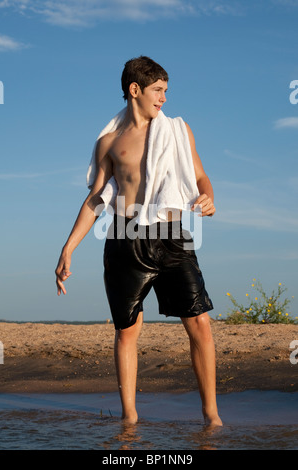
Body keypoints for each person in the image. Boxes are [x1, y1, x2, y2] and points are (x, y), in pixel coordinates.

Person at [55, 56, 222, 427]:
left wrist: (208, 198)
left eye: (166, 91)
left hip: (171, 237)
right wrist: (68, 249)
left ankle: (212, 417)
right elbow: (95, 200)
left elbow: (200, 176)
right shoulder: (110, 143)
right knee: (127, 330)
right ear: (135, 90)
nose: (164, 99)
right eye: (158, 91)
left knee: (200, 323)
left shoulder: (179, 130)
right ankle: (129, 420)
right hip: (124, 241)